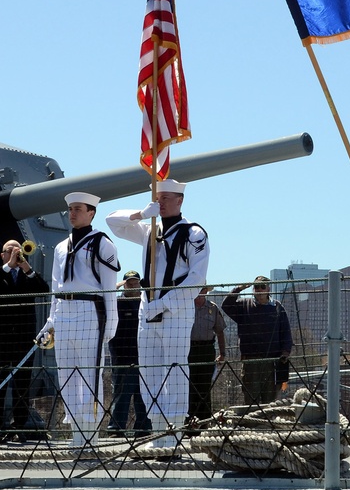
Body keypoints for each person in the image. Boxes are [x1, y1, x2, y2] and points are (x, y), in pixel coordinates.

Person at [105, 179, 210, 450]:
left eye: (165, 197)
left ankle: (173, 433)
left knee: (175, 371)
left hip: (175, 311)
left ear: (180, 200)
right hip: (147, 312)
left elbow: (196, 279)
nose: (160, 202)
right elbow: (112, 221)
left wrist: (163, 303)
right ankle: (157, 431)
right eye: (157, 197)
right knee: (149, 373)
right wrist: (141, 214)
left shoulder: (194, 233)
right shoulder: (149, 229)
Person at [37, 192, 120, 450]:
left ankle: (89, 436)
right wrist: (51, 320)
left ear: (91, 212)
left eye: (78, 208)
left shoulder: (103, 244)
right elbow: (55, 286)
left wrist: (111, 323)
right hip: (64, 310)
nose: (72, 213)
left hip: (89, 310)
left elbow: (109, 288)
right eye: (70, 209)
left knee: (89, 375)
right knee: (67, 376)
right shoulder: (61, 247)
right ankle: (76, 435)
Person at [0, 239, 50, 442]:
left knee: (22, 384)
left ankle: (19, 426)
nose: (14, 254)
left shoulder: (28, 276)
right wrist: (8, 266)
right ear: (2, 255)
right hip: (0, 339)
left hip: (23, 339)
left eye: (18, 251)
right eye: (9, 251)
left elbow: (43, 289)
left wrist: (26, 267)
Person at [221, 276, 293, 407]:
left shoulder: (277, 307)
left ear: (268, 289)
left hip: (272, 361)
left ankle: (268, 426)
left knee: (270, 399)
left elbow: (286, 333)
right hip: (250, 361)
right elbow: (226, 305)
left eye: (262, 287)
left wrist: (285, 352)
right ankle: (252, 425)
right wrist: (238, 289)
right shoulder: (244, 305)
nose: (259, 290)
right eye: (256, 287)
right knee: (250, 398)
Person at [107, 270, 153, 436]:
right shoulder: (116, 303)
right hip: (122, 355)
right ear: (124, 284)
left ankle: (143, 427)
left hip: (144, 354)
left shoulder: (147, 301)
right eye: (129, 283)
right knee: (122, 393)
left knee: (143, 393)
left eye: (136, 283)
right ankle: (116, 428)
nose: (133, 286)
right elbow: (104, 296)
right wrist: (116, 287)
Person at [187, 287, 226, 423]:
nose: (200, 292)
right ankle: (189, 421)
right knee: (189, 386)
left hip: (207, 349)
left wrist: (223, 353)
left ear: (206, 291)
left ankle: (204, 422)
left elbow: (220, 331)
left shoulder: (212, 308)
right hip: (188, 349)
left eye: (203, 289)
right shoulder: (186, 306)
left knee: (204, 386)